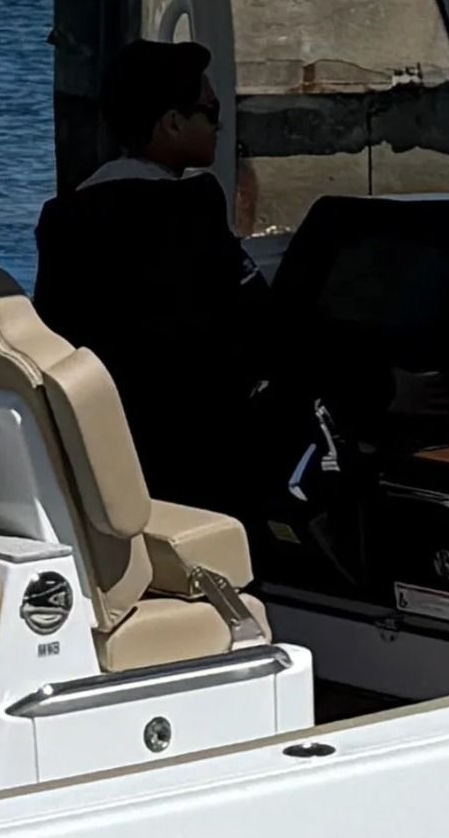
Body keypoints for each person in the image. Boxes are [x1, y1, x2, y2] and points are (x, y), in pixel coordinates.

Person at [32, 40, 282, 514]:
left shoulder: (63, 219)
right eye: (210, 111)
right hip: (195, 459)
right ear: (171, 122)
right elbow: (260, 324)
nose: (220, 124)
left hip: (108, 449)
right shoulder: (189, 209)